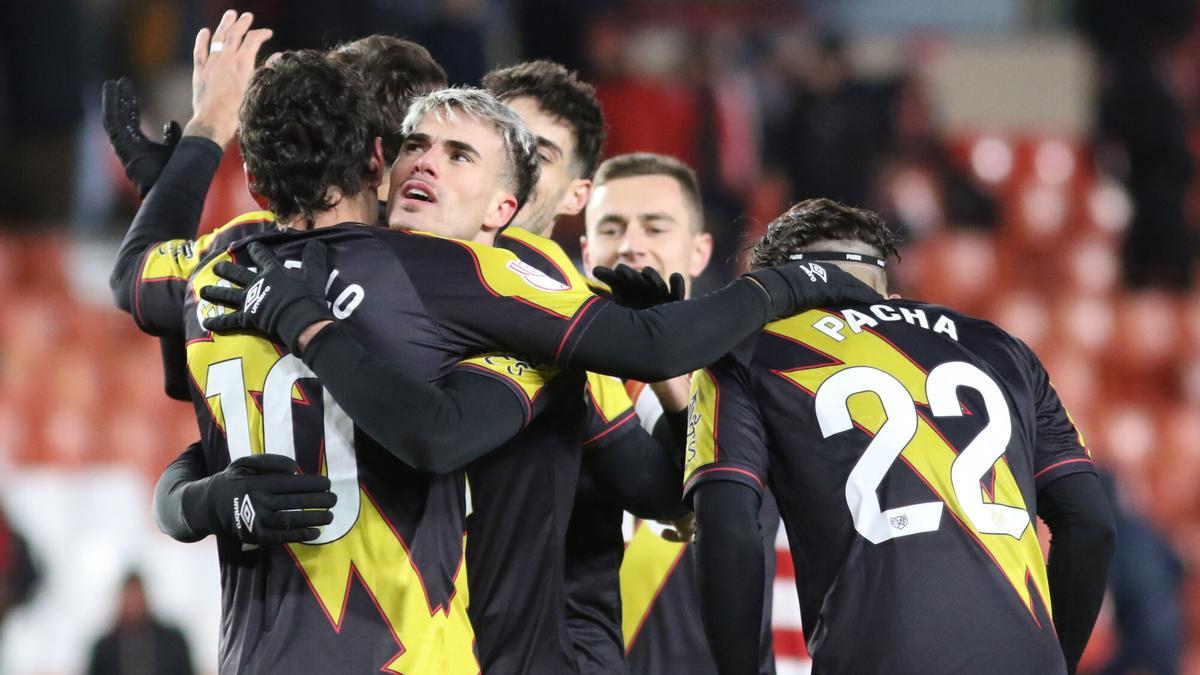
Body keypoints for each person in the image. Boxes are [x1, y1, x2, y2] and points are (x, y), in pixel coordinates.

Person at [686, 198, 1116, 675]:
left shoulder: (751, 350)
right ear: (886, 291)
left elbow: (727, 529)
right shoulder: (1004, 348)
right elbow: (1090, 523)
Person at [575, 152, 778, 675]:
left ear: (700, 250)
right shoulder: (550, 379)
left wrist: (662, 359)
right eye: (611, 227)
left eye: (655, 227)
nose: (630, 243)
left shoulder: (754, 377)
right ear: (586, 250)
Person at [85, 573, 194, 675]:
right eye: (130, 597)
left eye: (137, 596)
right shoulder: (104, 649)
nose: (134, 604)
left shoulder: (173, 642)